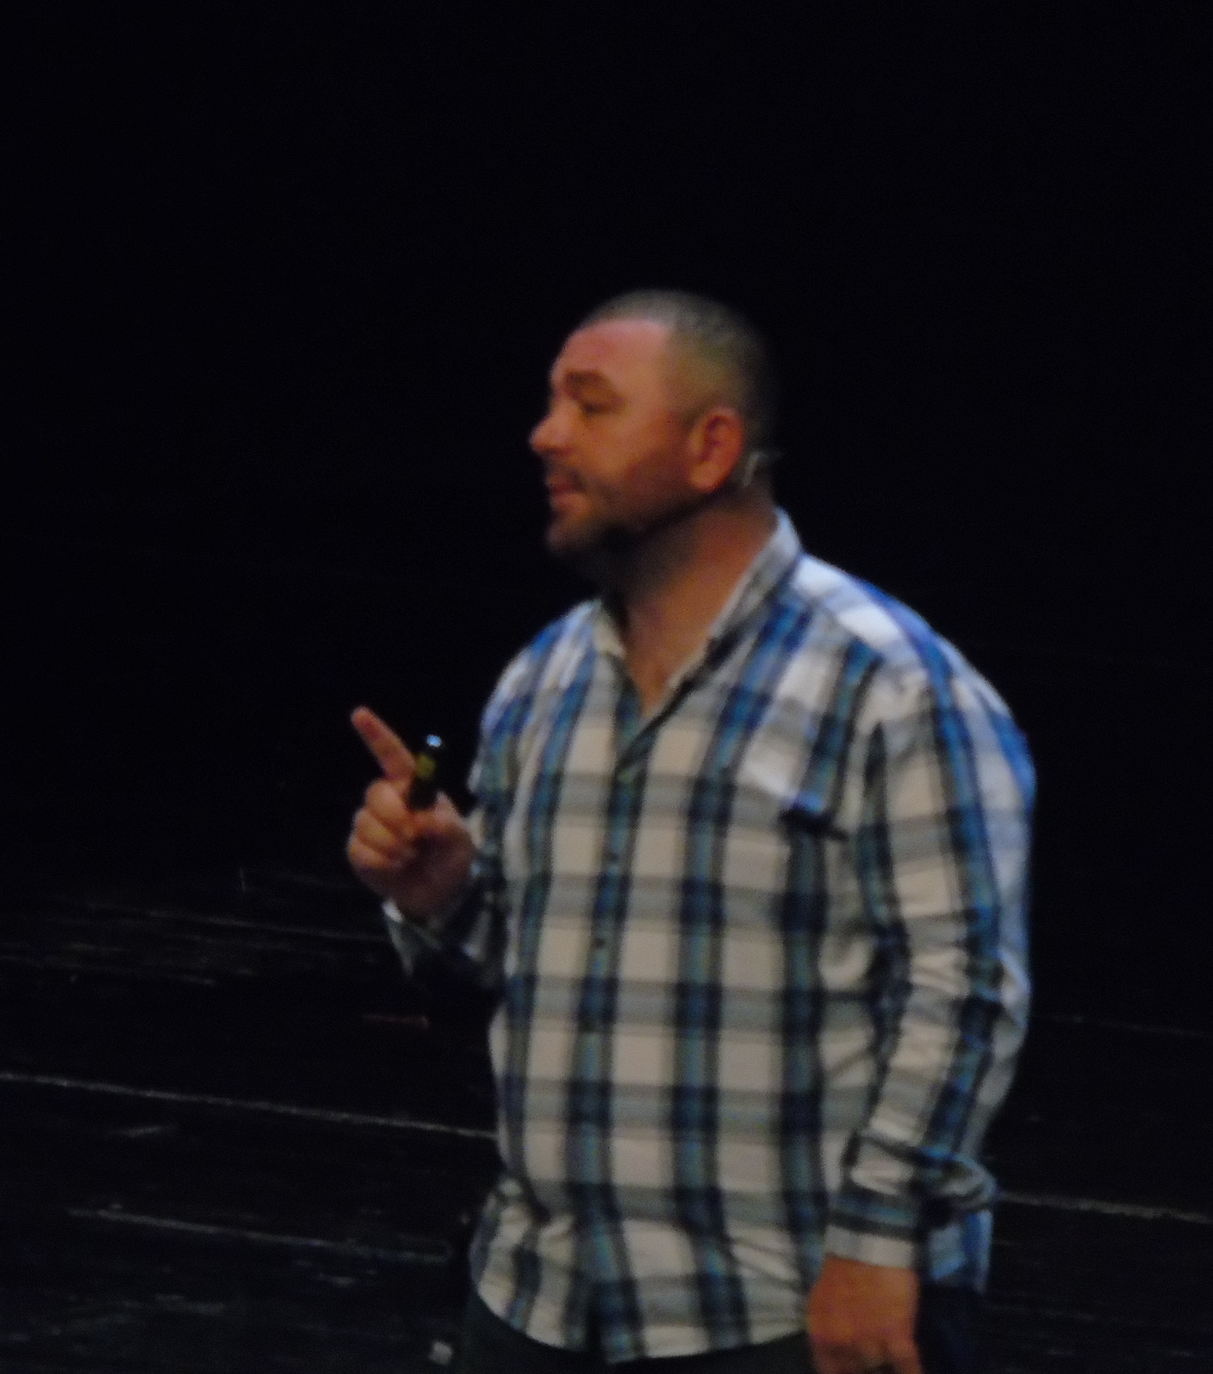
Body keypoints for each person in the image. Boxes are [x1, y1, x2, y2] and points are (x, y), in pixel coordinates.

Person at [345, 291, 1033, 1374]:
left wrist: (877, 1239)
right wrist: (439, 898)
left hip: (774, 1310)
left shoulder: (888, 686)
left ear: (712, 447)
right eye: (551, 403)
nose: (546, 434)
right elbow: (514, 971)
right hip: (540, 1301)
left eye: (592, 405)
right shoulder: (546, 681)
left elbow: (963, 990)